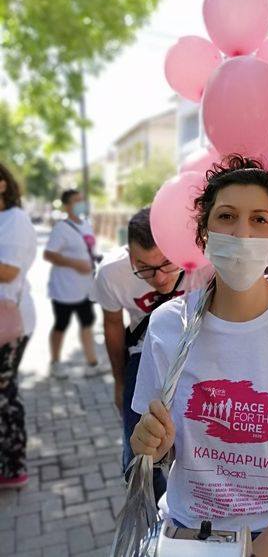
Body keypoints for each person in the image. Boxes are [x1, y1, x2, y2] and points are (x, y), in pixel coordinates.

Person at [131, 156, 268, 556]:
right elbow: (163, 449)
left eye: (260, 220)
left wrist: (260, 552)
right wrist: (150, 444)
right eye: (227, 216)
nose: (242, 232)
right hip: (194, 527)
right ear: (205, 233)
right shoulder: (168, 325)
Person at [92, 207, 186, 501]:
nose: (158, 278)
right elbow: (112, 327)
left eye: (167, 263)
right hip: (144, 351)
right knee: (137, 458)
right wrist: (120, 383)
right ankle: (155, 515)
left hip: (200, 350)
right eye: (143, 267)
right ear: (129, 256)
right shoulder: (110, 273)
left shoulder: (202, 261)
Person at [0, 163, 37, 489]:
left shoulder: (15, 220)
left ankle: (13, 467)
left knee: (3, 394)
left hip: (10, 322)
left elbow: (9, 271)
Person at [44, 189, 101, 378]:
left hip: (85, 287)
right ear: (67, 206)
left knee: (87, 322)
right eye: (77, 201)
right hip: (64, 289)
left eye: (82, 199)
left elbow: (90, 250)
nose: (81, 203)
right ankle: (55, 362)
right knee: (61, 324)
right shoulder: (61, 228)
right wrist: (75, 264)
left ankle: (92, 364)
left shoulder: (86, 224)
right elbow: (49, 254)